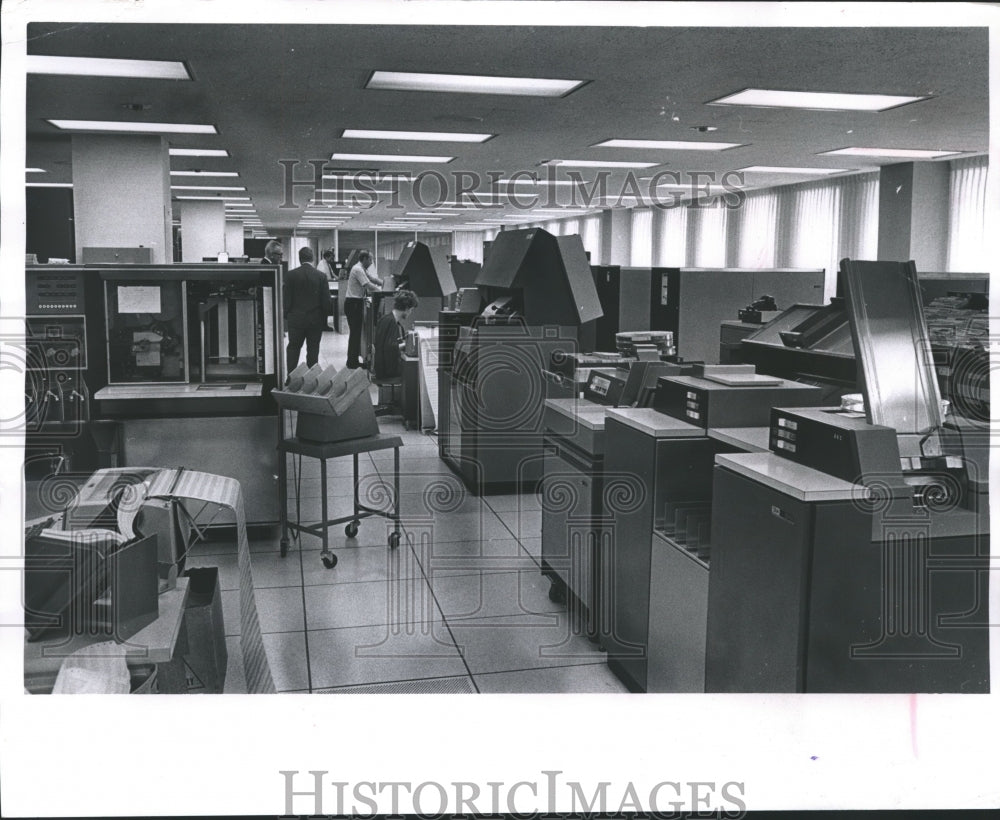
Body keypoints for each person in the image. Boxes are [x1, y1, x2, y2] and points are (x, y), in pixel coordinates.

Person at [283, 246, 332, 377]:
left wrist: (286, 315)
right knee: (313, 349)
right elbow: (326, 301)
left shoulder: (290, 275)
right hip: (315, 320)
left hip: (296, 319)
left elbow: (286, 299)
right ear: (313, 258)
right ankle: (311, 380)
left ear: (300, 259)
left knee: (293, 348)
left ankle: (291, 377)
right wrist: (324, 318)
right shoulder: (321, 276)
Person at [343, 250, 383, 369]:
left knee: (356, 333)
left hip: (355, 303)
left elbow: (372, 279)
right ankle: (352, 362)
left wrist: (386, 283)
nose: (371, 262)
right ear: (364, 259)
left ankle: (352, 360)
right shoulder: (358, 269)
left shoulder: (361, 268)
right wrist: (383, 292)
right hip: (353, 303)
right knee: (355, 333)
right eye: (370, 259)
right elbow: (368, 285)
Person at [372, 289, 419, 381]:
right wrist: (407, 344)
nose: (410, 313)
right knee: (414, 372)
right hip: (387, 372)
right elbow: (390, 347)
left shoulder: (386, 318)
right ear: (406, 308)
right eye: (411, 310)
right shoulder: (392, 323)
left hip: (380, 369)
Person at [315, 249, 337, 331]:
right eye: (331, 258)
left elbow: (332, 274)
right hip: (322, 289)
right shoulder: (321, 265)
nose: (332, 260)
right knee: (324, 308)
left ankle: (324, 324)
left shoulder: (327, 264)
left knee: (326, 307)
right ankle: (323, 325)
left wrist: (338, 278)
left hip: (327, 287)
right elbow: (323, 277)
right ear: (326, 257)